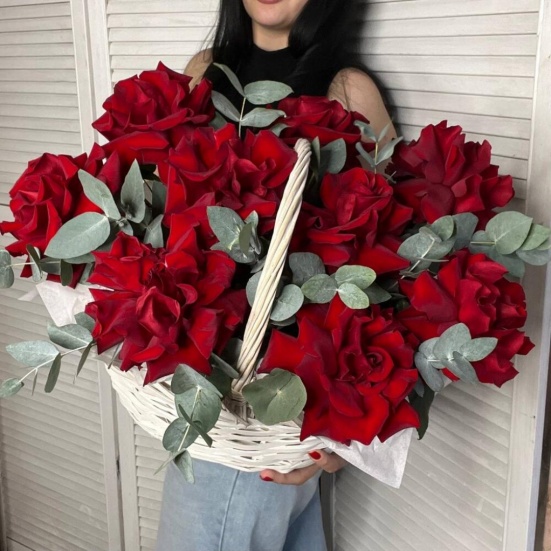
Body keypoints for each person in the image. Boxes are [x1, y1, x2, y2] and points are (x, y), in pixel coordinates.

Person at [155, 1, 397, 549]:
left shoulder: (347, 89)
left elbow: (392, 261)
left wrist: (347, 436)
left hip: (274, 411)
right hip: (205, 387)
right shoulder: (203, 70)